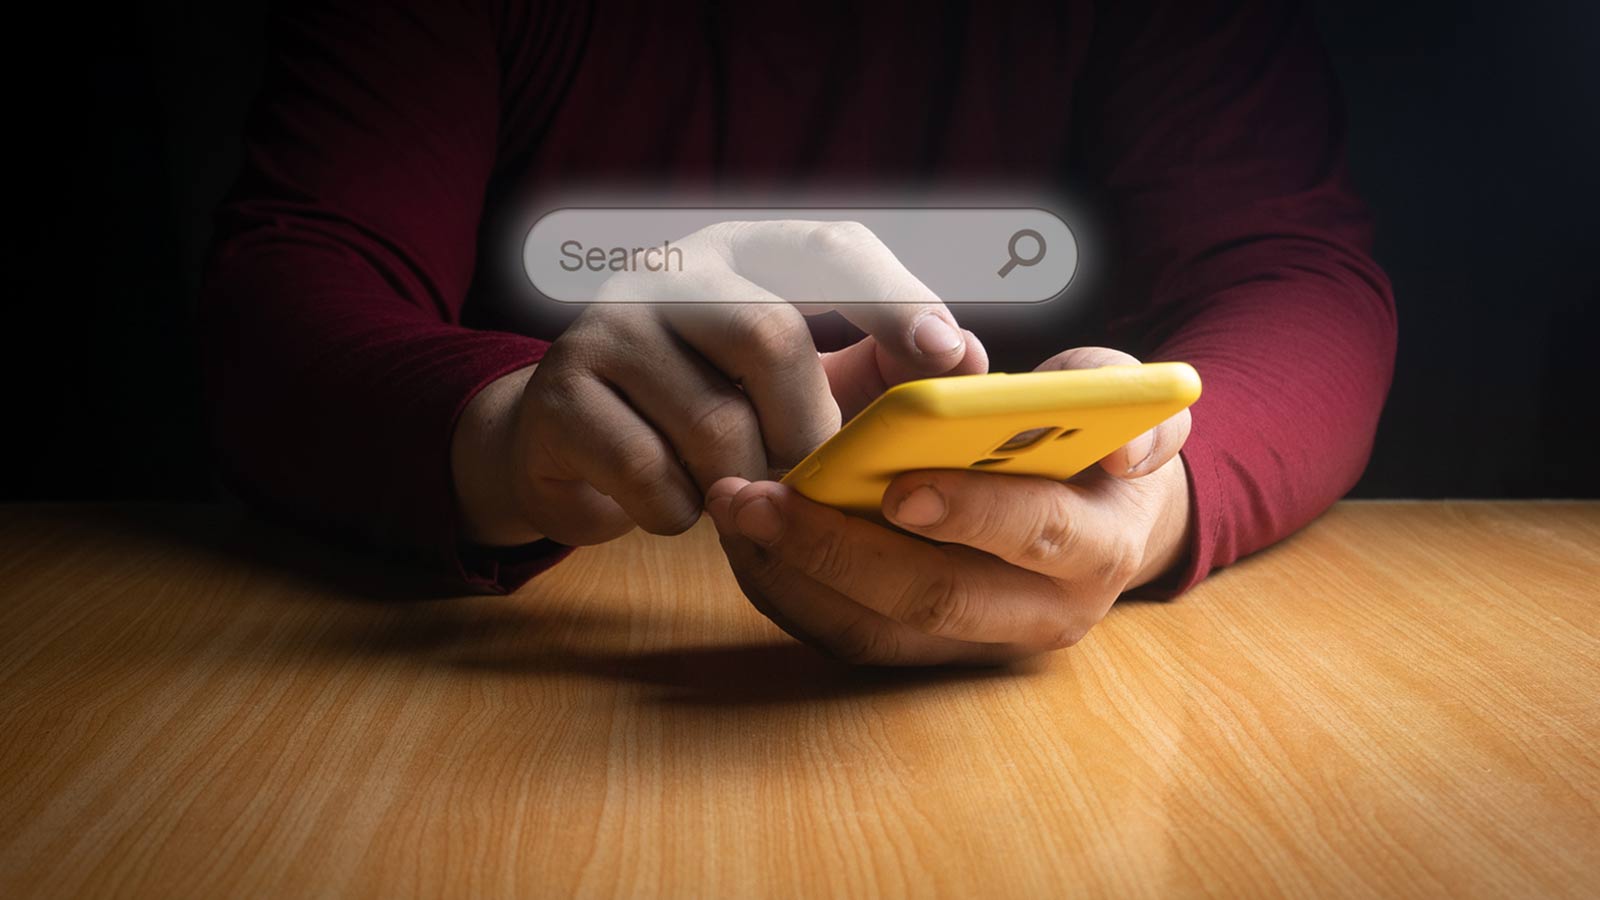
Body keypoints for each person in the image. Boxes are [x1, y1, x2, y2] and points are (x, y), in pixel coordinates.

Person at [202, 0, 1396, 665]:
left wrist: (1146, 491)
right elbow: (288, 295)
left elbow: (1301, 280)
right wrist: (519, 429)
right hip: (515, 659)